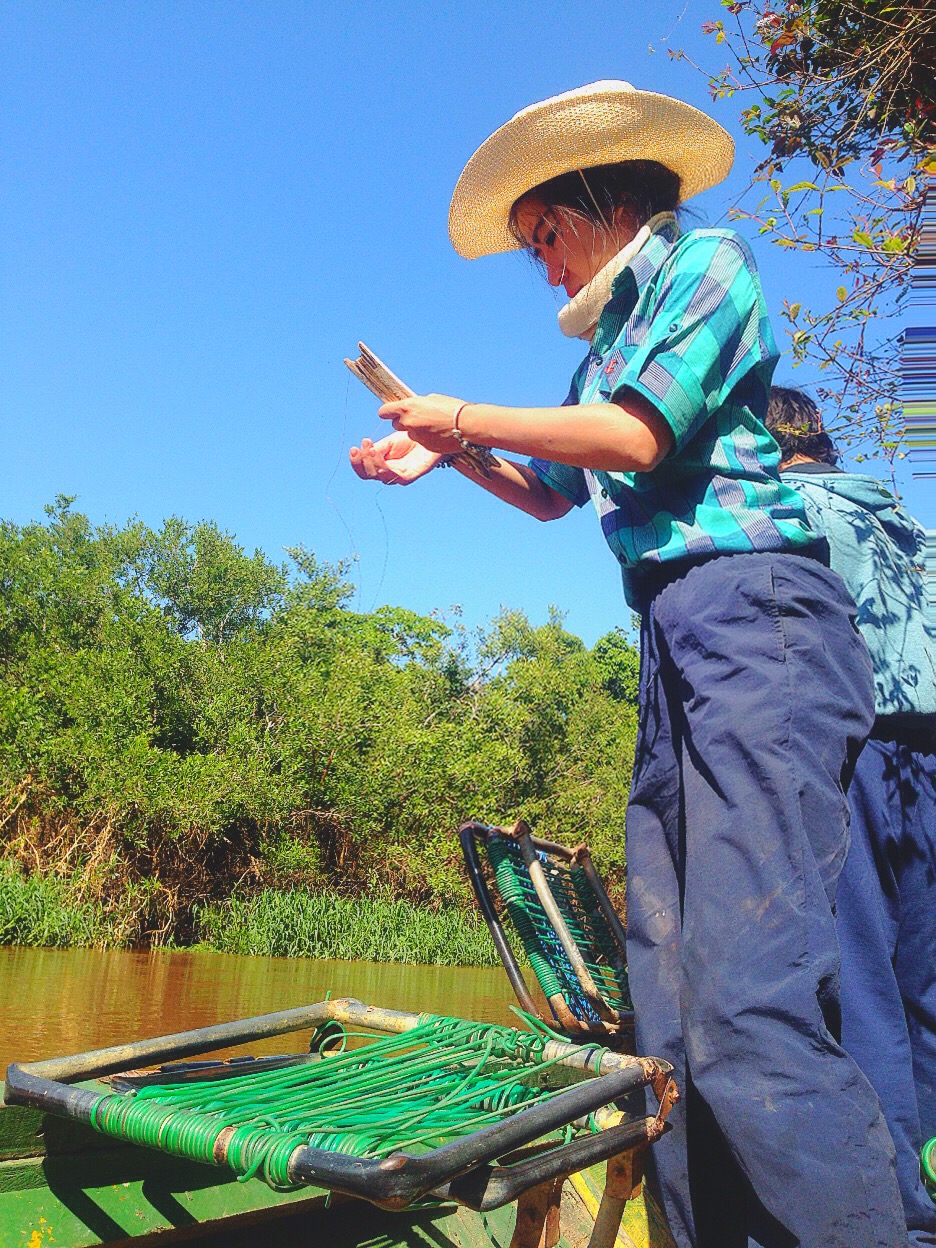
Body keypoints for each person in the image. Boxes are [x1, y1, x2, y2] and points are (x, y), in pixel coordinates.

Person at [350, 82, 905, 1247]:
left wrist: (461, 410)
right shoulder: (603, 348)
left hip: (763, 625)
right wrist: (440, 453)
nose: (543, 268)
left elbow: (635, 438)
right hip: (676, 642)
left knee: (753, 998)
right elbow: (554, 495)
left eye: (544, 237)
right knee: (671, 1009)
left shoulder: (710, 265)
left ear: (601, 202)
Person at [767, 385, 936, 1247]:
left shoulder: (785, 511)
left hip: (860, 752)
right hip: (930, 764)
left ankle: (894, 1209)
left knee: (861, 984)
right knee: (926, 990)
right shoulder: (896, 516)